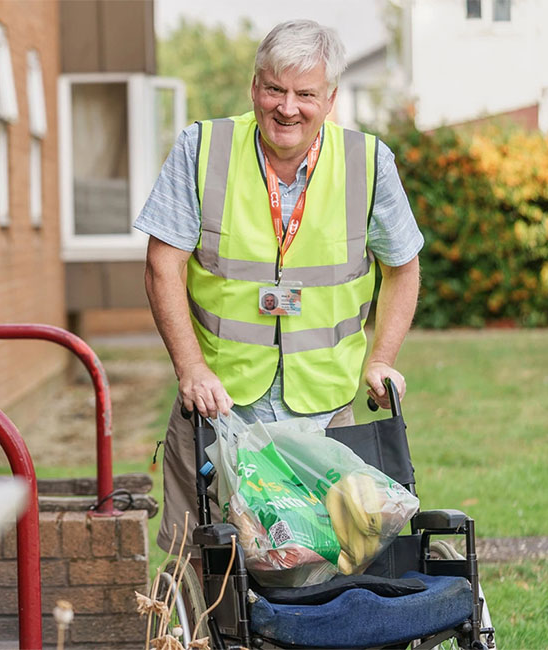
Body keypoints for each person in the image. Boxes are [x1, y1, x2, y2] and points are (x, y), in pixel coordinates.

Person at [135, 19, 423, 555]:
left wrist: (382, 358)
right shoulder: (202, 148)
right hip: (217, 411)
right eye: (275, 89)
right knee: (198, 565)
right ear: (254, 87)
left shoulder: (367, 161)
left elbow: (403, 268)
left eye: (305, 94)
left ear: (330, 98)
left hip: (325, 411)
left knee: (329, 564)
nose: (287, 107)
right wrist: (191, 368)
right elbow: (161, 266)